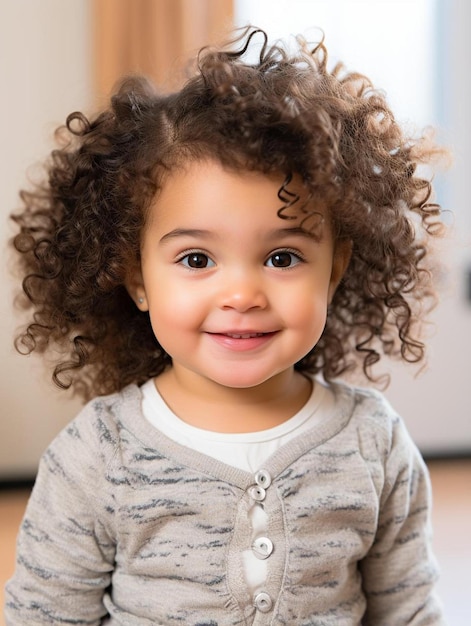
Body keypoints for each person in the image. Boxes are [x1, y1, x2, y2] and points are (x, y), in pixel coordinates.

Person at [5, 26, 447, 625]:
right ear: (136, 278)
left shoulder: (373, 443)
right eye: (196, 260)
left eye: (283, 257)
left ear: (334, 269)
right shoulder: (98, 455)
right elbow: (45, 612)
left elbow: (409, 609)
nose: (241, 294)